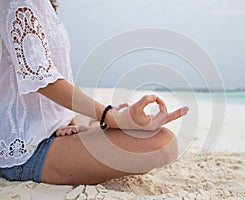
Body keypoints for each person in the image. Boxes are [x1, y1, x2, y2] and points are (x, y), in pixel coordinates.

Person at [0, 0, 189, 185]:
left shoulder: (45, 4)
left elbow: (55, 77)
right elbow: (41, 80)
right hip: (26, 148)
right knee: (162, 145)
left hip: (55, 129)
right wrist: (111, 116)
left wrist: (72, 119)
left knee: (158, 139)